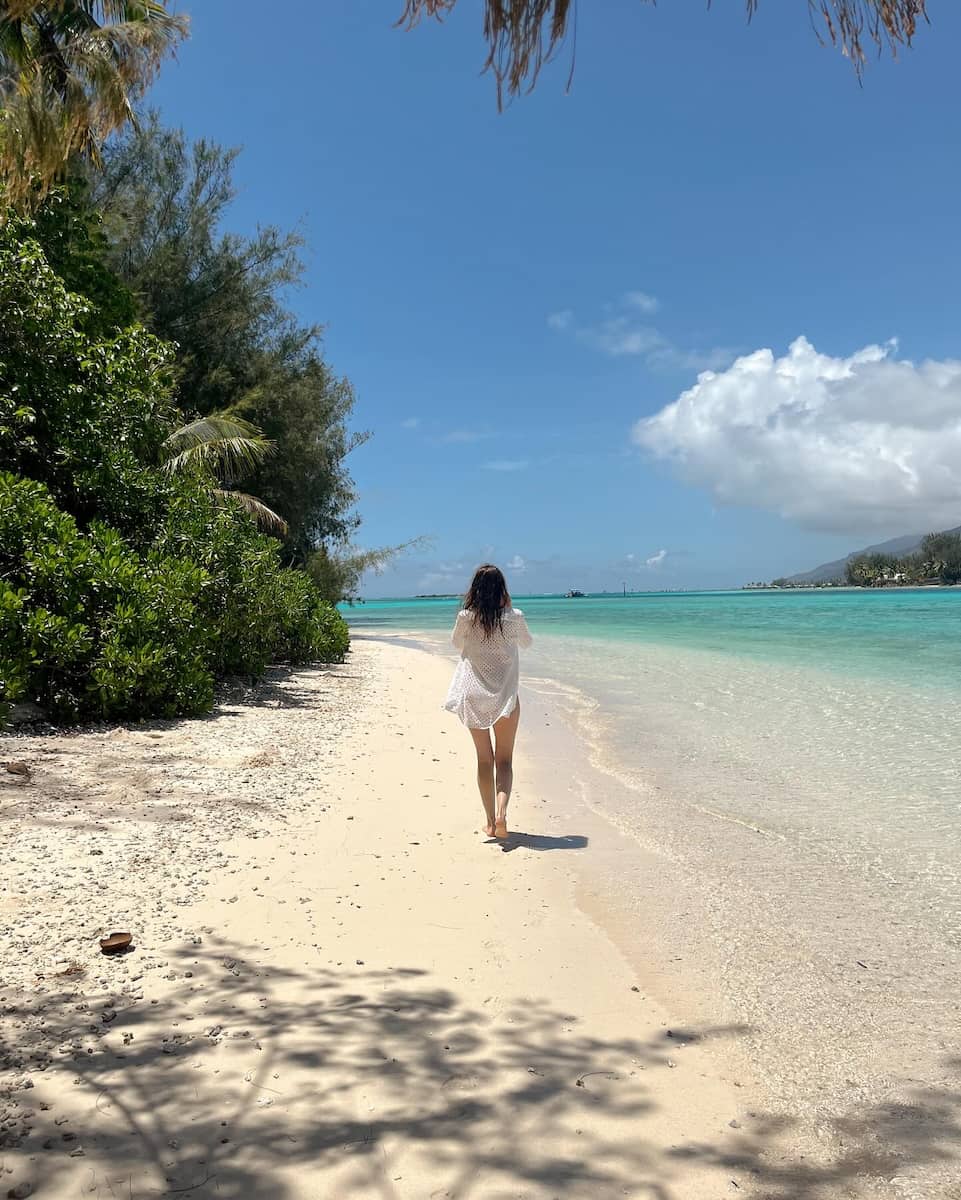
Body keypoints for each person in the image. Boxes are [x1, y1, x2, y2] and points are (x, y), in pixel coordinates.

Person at [444, 564, 533, 839]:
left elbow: (456, 644)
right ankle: (502, 814)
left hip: (473, 696)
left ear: (475, 590)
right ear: (502, 589)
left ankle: (490, 823)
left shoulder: (465, 617)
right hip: (505, 698)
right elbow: (527, 643)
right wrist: (510, 610)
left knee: (484, 759)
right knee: (504, 761)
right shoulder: (514, 617)